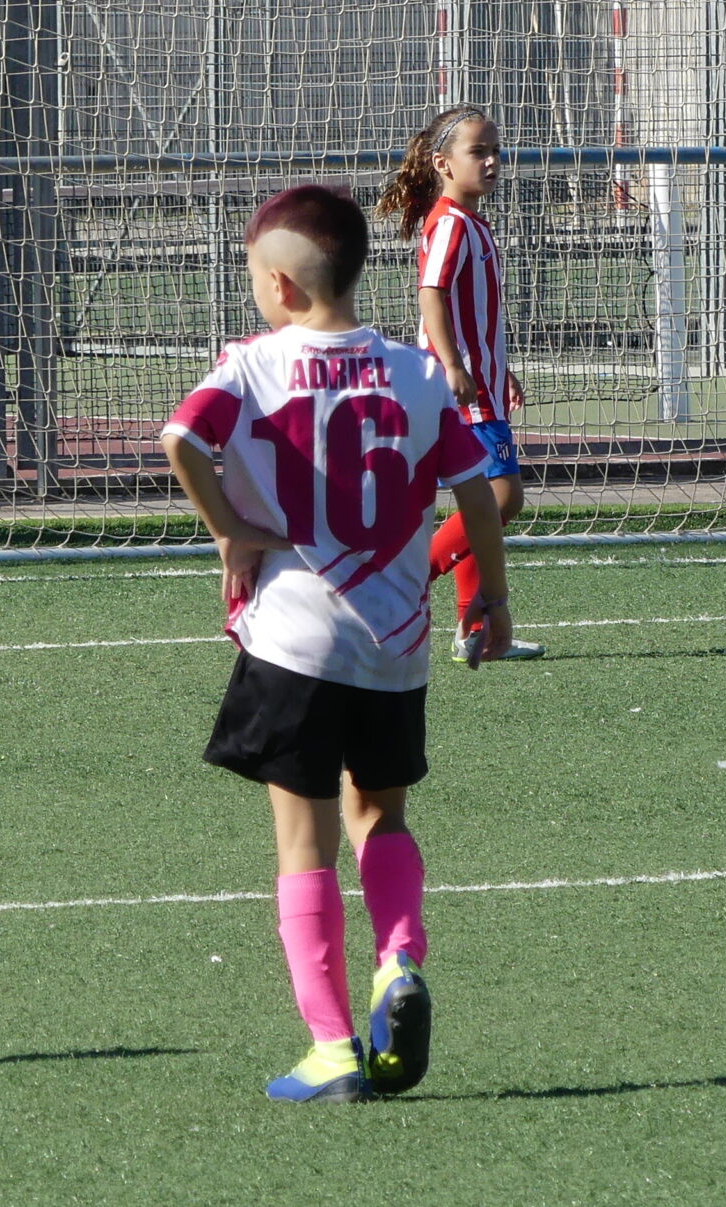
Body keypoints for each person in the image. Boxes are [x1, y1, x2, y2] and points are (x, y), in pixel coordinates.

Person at [160, 183, 517, 1103]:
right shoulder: (417, 372)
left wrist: (230, 530)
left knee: (303, 841)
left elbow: (180, 437)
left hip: (294, 638)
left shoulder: (252, 364)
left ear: (280, 285)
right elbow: (476, 494)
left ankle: (330, 1046)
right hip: (394, 639)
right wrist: (495, 595)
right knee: (381, 815)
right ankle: (398, 961)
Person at [381, 105, 546, 662]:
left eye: (496, 150)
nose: (492, 161)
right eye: (479, 151)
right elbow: (432, 294)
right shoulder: (450, 221)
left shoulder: (471, 221)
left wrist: (501, 370)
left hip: (482, 385)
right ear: (443, 163)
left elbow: (474, 314)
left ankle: (472, 630)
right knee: (501, 498)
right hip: (460, 392)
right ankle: (402, 581)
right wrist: (453, 365)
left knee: (481, 501)